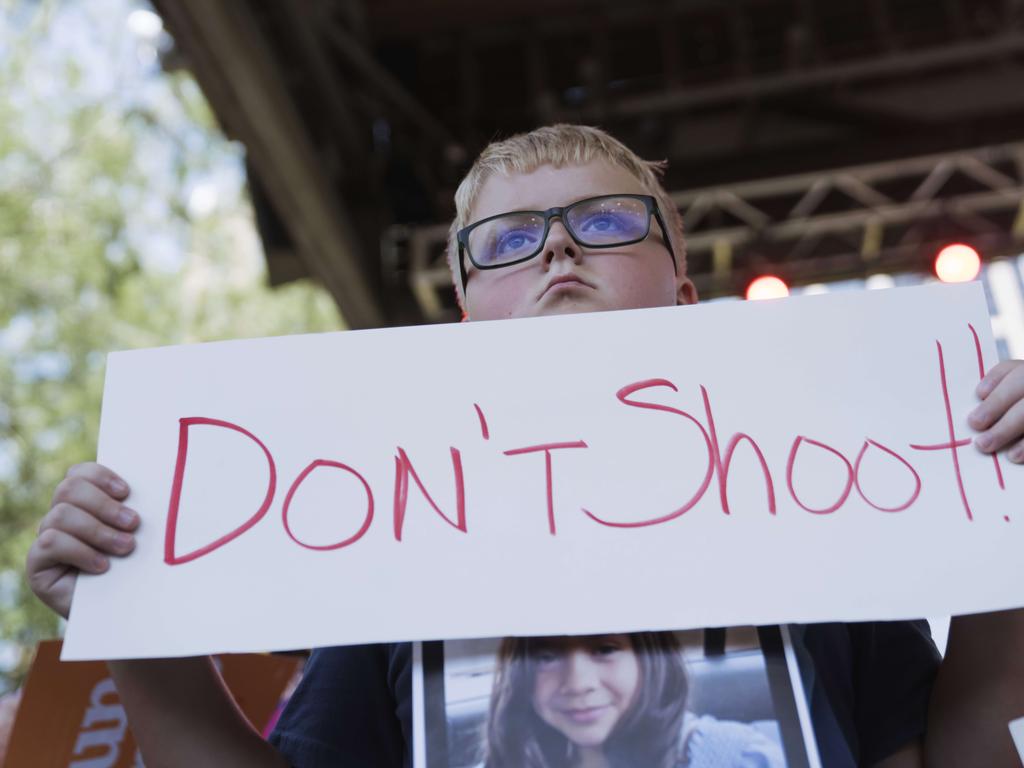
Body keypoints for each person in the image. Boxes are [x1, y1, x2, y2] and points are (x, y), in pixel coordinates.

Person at [24, 124, 1024, 767]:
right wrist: (136, 630)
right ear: (465, 325)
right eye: (505, 241)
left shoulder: (826, 518)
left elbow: (966, 744)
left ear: (684, 297)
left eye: (602, 221)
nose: (555, 247)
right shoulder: (385, 553)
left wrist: (1006, 541)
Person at [482, 632, 783, 768]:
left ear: (650, 656)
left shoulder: (738, 758)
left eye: (605, 649)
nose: (577, 684)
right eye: (546, 657)